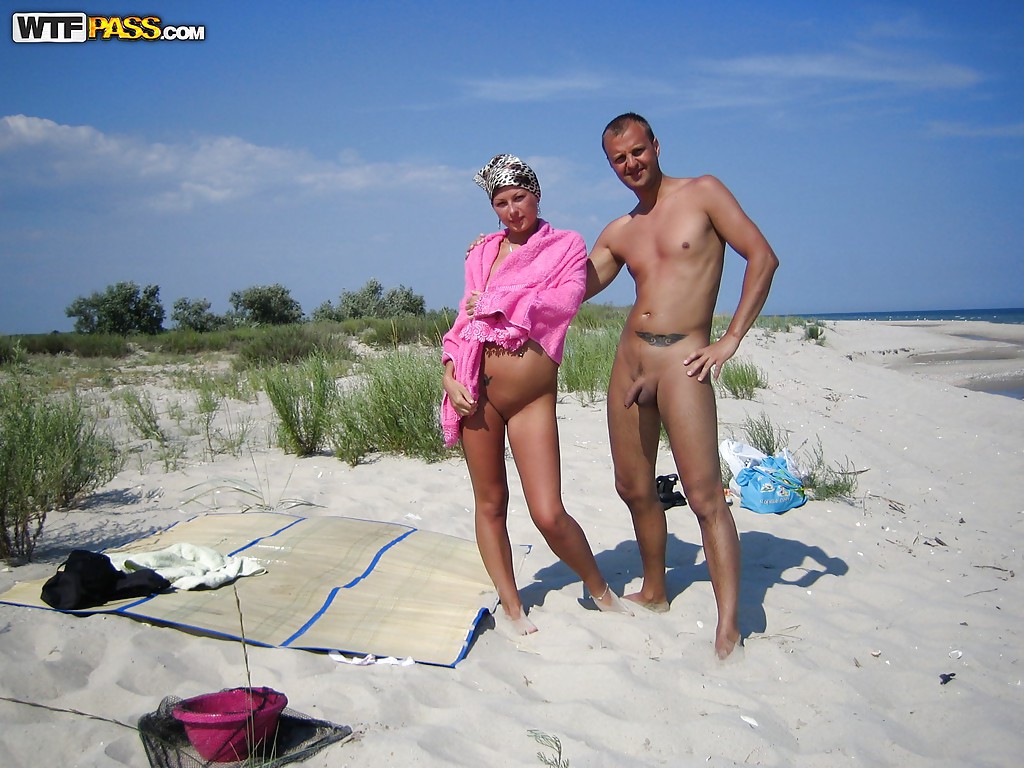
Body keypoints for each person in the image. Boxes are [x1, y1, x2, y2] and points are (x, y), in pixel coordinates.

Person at [586, 113, 779, 659]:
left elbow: (763, 257)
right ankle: (655, 589)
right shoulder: (620, 231)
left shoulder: (703, 193)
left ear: (656, 145)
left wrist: (730, 339)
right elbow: (573, 285)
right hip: (630, 361)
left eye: (637, 151)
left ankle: (729, 625)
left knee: (704, 495)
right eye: (619, 159)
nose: (631, 164)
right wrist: (511, 254)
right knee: (633, 487)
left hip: (683, 361)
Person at [442, 153, 630, 635]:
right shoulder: (481, 253)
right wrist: (448, 375)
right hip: (475, 394)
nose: (512, 210)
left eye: (519, 197)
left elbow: (563, 301)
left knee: (548, 511)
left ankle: (599, 589)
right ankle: (511, 605)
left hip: (530, 399)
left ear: (537, 194)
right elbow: (464, 321)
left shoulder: (565, 245)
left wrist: (496, 300)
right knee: (490, 503)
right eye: (501, 202)